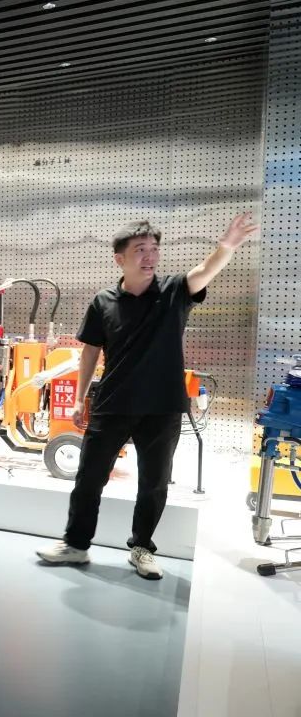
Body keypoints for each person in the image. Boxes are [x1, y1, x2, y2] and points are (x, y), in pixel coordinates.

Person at [37, 214, 258, 579]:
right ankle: (75, 545)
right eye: (140, 249)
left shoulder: (174, 290)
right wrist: (79, 398)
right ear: (119, 258)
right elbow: (90, 352)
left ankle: (141, 548)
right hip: (113, 403)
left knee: (153, 484)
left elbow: (205, 270)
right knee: (89, 478)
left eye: (154, 249)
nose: (150, 256)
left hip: (162, 407)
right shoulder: (103, 301)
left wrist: (227, 246)